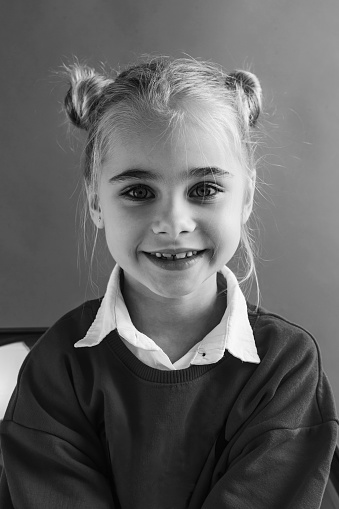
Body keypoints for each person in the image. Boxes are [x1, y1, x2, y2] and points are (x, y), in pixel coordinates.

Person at [0, 55, 337, 509]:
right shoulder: (56, 368)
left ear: (247, 197)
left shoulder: (286, 368)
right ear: (96, 199)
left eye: (204, 190)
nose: (174, 222)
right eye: (139, 192)